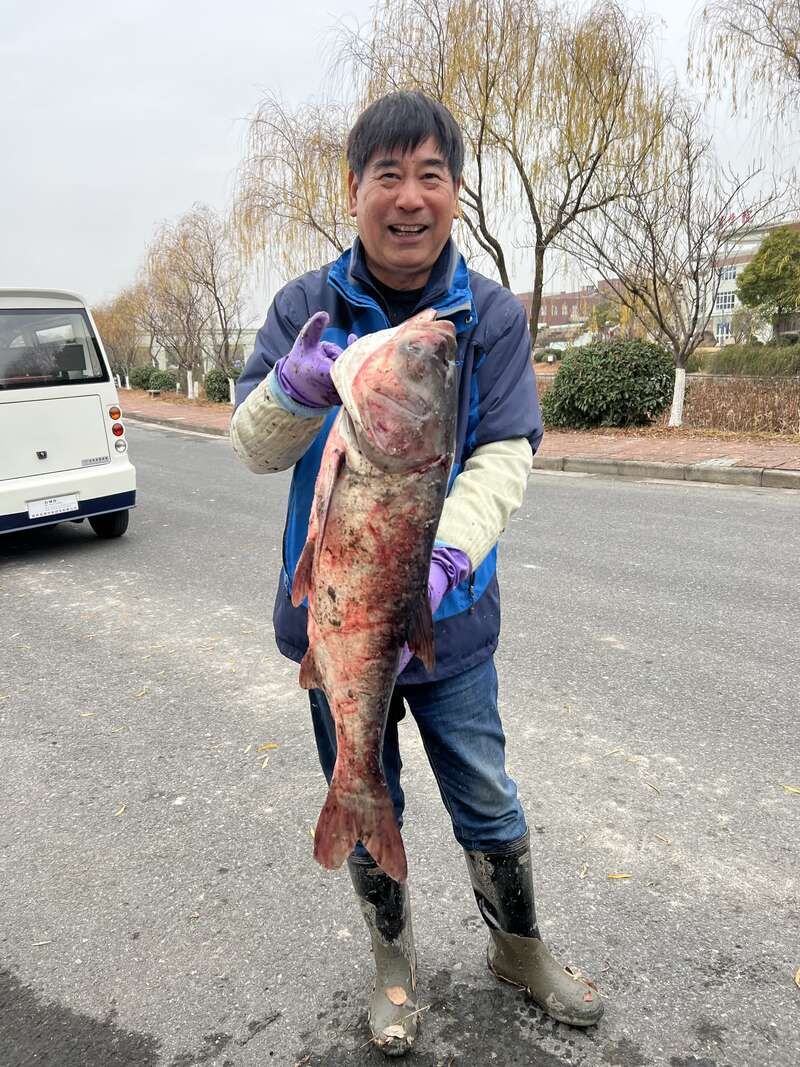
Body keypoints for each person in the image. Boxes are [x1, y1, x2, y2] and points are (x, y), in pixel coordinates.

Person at [231, 90, 603, 1056]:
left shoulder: (485, 317)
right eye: (386, 175)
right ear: (352, 190)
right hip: (338, 623)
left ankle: (517, 945)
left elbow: (507, 452)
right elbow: (251, 445)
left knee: (484, 789)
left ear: (457, 192)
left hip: (451, 616)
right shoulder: (305, 308)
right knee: (365, 784)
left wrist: (444, 556)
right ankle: (391, 965)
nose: (408, 197)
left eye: (430, 175)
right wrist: (290, 391)